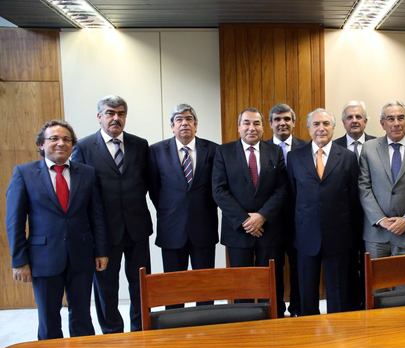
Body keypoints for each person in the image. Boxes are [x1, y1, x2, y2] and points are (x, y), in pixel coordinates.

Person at [6, 120, 108, 340]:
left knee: (82, 317)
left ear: (73, 145)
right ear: (41, 144)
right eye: (54, 138)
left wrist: (101, 251)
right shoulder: (24, 174)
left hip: (81, 257)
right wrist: (19, 261)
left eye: (66, 139)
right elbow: (14, 221)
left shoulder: (87, 173)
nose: (61, 143)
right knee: (49, 320)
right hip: (43, 258)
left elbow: (96, 216)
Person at [72, 95, 152, 333]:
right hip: (103, 231)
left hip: (137, 228)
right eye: (110, 113)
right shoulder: (84, 147)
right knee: (106, 286)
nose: (116, 118)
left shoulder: (140, 144)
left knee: (140, 284)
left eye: (121, 113)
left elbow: (148, 181)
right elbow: (81, 190)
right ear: (99, 117)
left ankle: (140, 330)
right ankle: (112, 332)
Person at [287, 108, 361, 315]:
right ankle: (309, 334)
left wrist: (353, 237)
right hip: (304, 236)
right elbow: (291, 197)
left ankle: (339, 336)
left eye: (326, 124)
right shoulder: (294, 157)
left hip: (338, 237)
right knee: (306, 293)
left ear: (334, 127)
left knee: (339, 294)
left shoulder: (347, 157)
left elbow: (353, 199)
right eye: (316, 124)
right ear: (308, 128)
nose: (321, 129)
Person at [212, 107, 287, 310]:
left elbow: (282, 189)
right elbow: (219, 190)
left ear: (264, 127)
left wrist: (262, 216)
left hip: (269, 229)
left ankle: (274, 321)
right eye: (246, 123)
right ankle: (243, 322)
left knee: (271, 282)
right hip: (238, 231)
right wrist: (246, 220)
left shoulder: (275, 152)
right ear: (238, 127)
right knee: (241, 283)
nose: (251, 128)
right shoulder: (223, 152)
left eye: (256, 123)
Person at [148, 103, 219, 307]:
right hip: (171, 228)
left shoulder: (213, 150)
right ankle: (174, 327)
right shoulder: (156, 151)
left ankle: (205, 326)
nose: (184, 123)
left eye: (189, 119)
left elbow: (217, 187)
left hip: (204, 227)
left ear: (196, 125)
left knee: (205, 288)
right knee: (173, 288)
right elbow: (154, 189)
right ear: (172, 127)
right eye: (179, 120)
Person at [359, 101, 405, 258]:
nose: (396, 123)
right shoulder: (369, 148)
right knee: (377, 282)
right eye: (390, 119)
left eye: (401, 118)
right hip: (376, 233)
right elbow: (363, 187)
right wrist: (380, 219)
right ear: (382, 123)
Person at [333, 100, 375, 309]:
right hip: (344, 219)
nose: (354, 121)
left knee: (370, 262)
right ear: (343, 122)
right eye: (350, 117)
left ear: (366, 121)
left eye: (359, 117)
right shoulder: (332, 147)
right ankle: (351, 305)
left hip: (374, 218)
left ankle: (369, 302)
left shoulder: (379, 144)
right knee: (347, 264)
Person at [266, 103, 307, 317]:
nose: (282, 123)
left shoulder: (307, 147)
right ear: (270, 124)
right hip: (270, 223)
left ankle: (298, 309)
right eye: (277, 119)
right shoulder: (261, 148)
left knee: (300, 268)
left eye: (286, 119)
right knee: (274, 269)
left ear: (293, 122)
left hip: (300, 221)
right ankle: (277, 311)